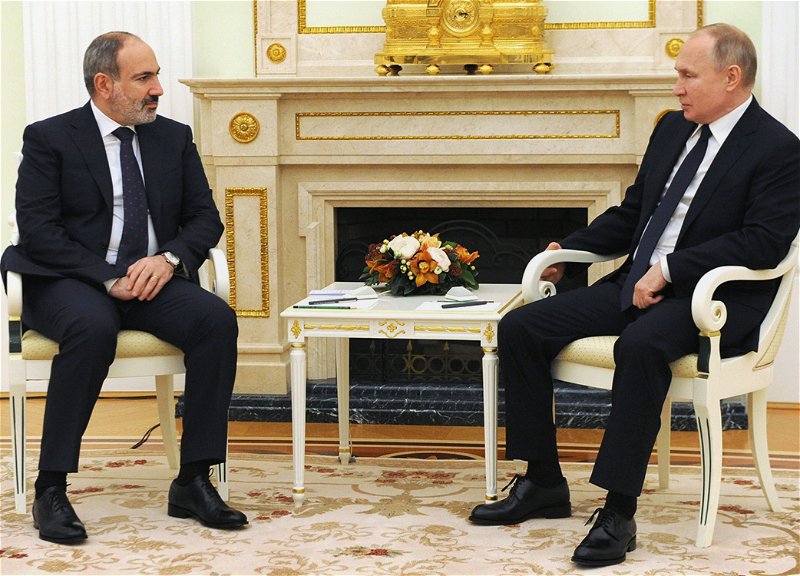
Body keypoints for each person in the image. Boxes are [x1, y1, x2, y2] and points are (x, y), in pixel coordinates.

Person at [468, 23, 799, 567]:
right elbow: (633, 213)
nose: (677, 87)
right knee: (521, 327)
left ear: (731, 77)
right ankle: (543, 482)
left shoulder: (778, 149)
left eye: (688, 75)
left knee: (640, 346)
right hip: (636, 283)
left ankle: (618, 513)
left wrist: (669, 269)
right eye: (677, 74)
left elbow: (763, 242)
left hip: (710, 303)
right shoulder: (672, 129)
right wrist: (568, 251)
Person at [1, 31, 247, 544]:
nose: (158, 89)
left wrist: (168, 259)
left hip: (150, 278)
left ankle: (192, 479)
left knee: (215, 321)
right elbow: (40, 231)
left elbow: (205, 218)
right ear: (104, 84)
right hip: (69, 278)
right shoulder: (50, 138)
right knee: (92, 327)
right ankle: (51, 488)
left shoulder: (173, 138)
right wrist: (109, 279)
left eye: (156, 75)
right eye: (144, 78)